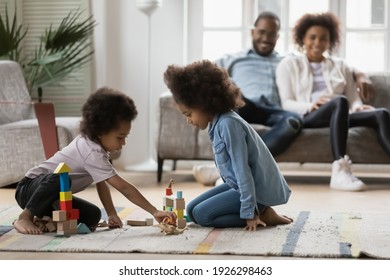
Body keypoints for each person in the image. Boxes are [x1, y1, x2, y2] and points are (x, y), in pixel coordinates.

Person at [13, 87, 176, 234]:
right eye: (120, 137)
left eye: (125, 137)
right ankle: (24, 217)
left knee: (93, 215)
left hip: (53, 199)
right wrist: (154, 211)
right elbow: (124, 188)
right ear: (100, 131)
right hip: (29, 189)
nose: (123, 143)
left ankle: (44, 219)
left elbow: (101, 183)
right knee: (59, 178)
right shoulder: (91, 151)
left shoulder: (98, 149)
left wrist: (111, 213)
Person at [163, 60, 292, 230]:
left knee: (203, 216)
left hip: (255, 190)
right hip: (239, 185)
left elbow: (242, 170)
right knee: (192, 211)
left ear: (205, 104)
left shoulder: (228, 124)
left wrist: (249, 212)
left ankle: (263, 213)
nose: (188, 120)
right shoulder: (218, 122)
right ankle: (256, 210)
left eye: (189, 114)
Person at [275, 12, 390, 191]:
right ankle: (339, 170)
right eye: (312, 37)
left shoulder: (341, 66)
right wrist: (310, 106)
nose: (318, 43)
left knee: (381, 113)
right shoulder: (288, 65)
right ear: (302, 39)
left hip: (340, 113)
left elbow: (353, 100)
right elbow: (287, 102)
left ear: (330, 41)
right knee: (339, 101)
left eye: (323, 38)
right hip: (309, 116)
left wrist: (359, 107)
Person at [192, 12, 304, 186]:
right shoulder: (233, 59)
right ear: (253, 32)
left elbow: (322, 65)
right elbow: (204, 73)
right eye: (262, 32)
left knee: (294, 120)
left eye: (272, 34)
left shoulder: (287, 61)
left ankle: (228, 169)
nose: (266, 38)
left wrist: (358, 75)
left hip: (274, 111)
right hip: (244, 105)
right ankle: (231, 169)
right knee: (231, 105)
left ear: (278, 36)